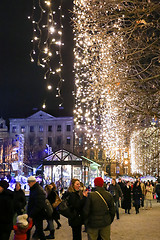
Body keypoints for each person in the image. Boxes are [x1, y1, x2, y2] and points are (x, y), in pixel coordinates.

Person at [27, 176, 46, 240]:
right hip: (36, 214)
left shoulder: (38, 190)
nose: (28, 184)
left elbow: (38, 205)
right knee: (39, 231)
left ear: (33, 182)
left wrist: (31, 215)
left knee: (38, 231)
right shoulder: (35, 189)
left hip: (36, 214)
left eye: (29, 182)